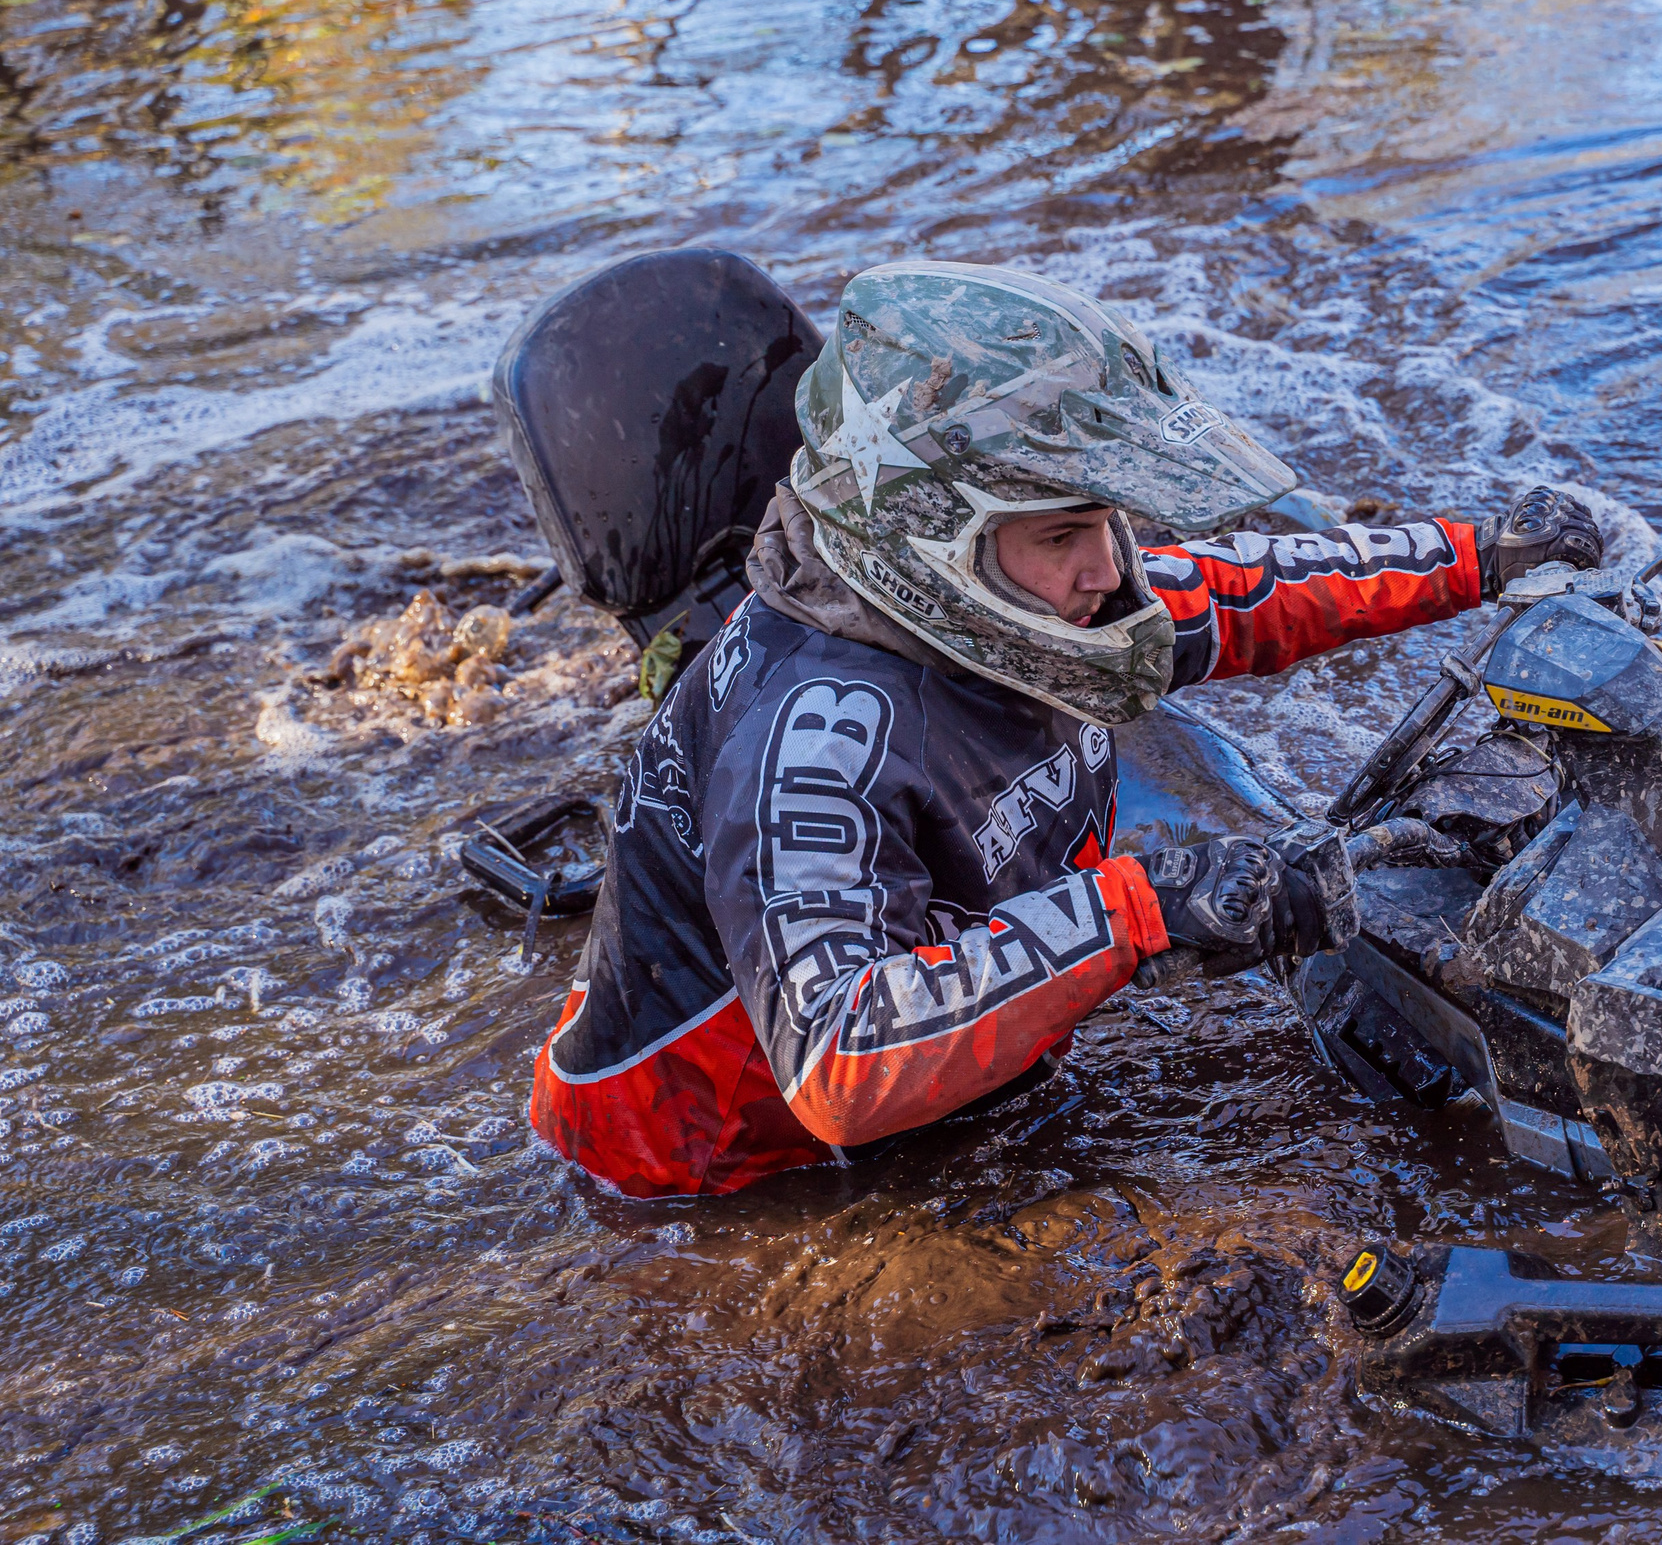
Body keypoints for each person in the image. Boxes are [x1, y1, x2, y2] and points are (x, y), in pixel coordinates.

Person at [528, 259, 1606, 1198]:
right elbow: (841, 1059)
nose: (1106, 568)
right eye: (1066, 535)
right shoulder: (816, 733)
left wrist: (1477, 556)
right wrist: (1149, 911)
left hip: (930, 1075)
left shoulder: (1022, 600)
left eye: (1110, 523)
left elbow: (1231, 595)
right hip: (724, 1171)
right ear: (935, 536)